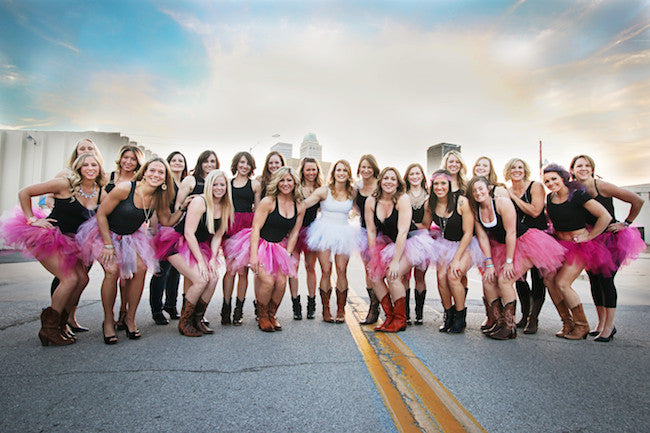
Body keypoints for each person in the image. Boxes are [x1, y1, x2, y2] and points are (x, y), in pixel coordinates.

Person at [76, 157, 184, 344]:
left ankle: (129, 319)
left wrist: (183, 207)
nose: (156, 175)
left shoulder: (159, 197)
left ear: (165, 179)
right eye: (152, 170)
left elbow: (166, 221)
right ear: (144, 171)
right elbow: (101, 214)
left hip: (130, 236)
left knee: (141, 269)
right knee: (112, 271)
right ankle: (108, 321)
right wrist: (108, 245)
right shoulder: (126, 188)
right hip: (104, 233)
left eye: (161, 172)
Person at [0, 153, 105, 345]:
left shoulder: (100, 190)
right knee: (70, 278)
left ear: (100, 169)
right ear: (78, 168)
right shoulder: (64, 184)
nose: (90, 168)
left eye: (94, 165)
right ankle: (48, 329)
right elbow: (25, 192)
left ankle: (61, 323)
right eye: (85, 165)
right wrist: (32, 219)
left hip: (72, 243)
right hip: (48, 238)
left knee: (83, 279)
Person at [468, 176, 565, 340]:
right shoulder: (475, 210)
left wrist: (509, 262)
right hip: (499, 246)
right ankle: (499, 322)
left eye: (481, 188)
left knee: (505, 280)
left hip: (524, 243)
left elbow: (511, 232)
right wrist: (489, 264)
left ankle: (510, 327)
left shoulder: (501, 203)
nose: (478, 193)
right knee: (488, 279)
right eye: (474, 190)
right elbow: (483, 238)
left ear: (489, 188)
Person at [569, 155, 645, 342]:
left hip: (611, 239)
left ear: (592, 169)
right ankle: (601, 323)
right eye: (579, 166)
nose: (584, 168)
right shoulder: (573, 189)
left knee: (606, 280)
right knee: (594, 281)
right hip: (591, 240)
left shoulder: (601, 186)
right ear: (572, 170)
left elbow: (637, 200)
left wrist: (626, 223)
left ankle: (609, 327)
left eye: (587, 165)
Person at [224, 167, 304, 332]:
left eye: (289, 180)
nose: (285, 183)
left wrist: (288, 254)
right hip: (260, 244)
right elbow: (256, 228)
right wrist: (253, 256)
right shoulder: (268, 201)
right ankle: (262, 316)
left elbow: (295, 232)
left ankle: (272, 315)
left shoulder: (299, 206)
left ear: (295, 182)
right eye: (282, 180)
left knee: (281, 283)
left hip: (280, 247)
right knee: (268, 281)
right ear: (277, 182)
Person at [155, 170, 233, 336]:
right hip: (178, 243)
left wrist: (212, 259)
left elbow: (218, 235)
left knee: (213, 278)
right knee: (200, 279)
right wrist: (202, 262)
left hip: (201, 245)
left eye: (222, 184)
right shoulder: (200, 201)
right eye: (215, 184)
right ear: (209, 185)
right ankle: (185, 322)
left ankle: (198, 319)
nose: (219, 188)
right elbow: (189, 233)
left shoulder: (225, 205)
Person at [542, 164, 616, 340]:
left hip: (580, 246)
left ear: (563, 178)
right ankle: (567, 322)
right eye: (547, 181)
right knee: (549, 279)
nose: (551, 183)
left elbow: (605, 216)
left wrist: (590, 236)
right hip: (560, 245)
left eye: (554, 179)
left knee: (562, 282)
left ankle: (582, 325)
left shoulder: (577, 195)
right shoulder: (549, 198)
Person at [365, 167, 437, 333]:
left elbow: (403, 231)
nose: (389, 182)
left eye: (393, 179)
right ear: (380, 181)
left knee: (393, 275)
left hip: (412, 243)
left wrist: (396, 261)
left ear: (398, 183)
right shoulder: (371, 201)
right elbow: (371, 231)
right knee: (375, 277)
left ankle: (400, 320)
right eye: (386, 178)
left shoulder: (402, 199)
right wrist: (373, 256)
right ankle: (389, 317)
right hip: (389, 243)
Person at [47, 138, 105, 332]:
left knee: (82, 278)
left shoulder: (98, 181)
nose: (86, 151)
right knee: (66, 278)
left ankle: (69, 318)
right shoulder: (66, 175)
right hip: (61, 236)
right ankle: (55, 322)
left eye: (90, 148)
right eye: (82, 149)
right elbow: (48, 198)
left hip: (84, 238)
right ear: (76, 153)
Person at [303, 160, 362, 323]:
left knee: (342, 270)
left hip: (344, 231)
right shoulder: (324, 191)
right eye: (338, 170)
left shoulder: (352, 193)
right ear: (333, 172)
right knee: (326, 270)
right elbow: (305, 204)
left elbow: (361, 209)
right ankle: (326, 310)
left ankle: (341, 310)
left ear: (348, 174)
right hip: (324, 231)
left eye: (345, 170)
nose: (341, 173)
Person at [426, 170, 484, 333]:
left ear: (449, 185)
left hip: (466, 244)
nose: (439, 187)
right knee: (441, 277)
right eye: (436, 183)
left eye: (443, 183)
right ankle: (448, 315)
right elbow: (425, 225)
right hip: (445, 243)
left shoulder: (461, 202)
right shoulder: (430, 204)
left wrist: (457, 259)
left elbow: (468, 232)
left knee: (454, 275)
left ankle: (460, 317)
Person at [504, 158, 548, 334]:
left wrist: (513, 197)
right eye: (513, 167)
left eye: (520, 167)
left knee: (538, 279)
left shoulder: (535, 186)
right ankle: (524, 314)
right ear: (508, 171)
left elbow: (535, 211)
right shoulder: (505, 191)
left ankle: (534, 318)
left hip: (539, 238)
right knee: (520, 279)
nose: (517, 170)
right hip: (519, 238)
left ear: (525, 170)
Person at [104, 145, 145, 329]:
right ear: (120, 158)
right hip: (105, 228)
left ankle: (124, 312)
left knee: (129, 274)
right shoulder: (108, 177)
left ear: (138, 163)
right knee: (112, 272)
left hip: (130, 231)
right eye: (125, 157)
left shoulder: (140, 181)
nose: (128, 162)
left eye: (133, 159)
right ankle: (108, 318)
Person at [221, 152, 261, 325]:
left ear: (251, 167)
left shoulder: (254, 185)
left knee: (243, 271)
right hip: (229, 225)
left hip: (246, 229)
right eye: (242, 162)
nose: (244, 166)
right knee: (230, 270)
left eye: (248, 164)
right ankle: (226, 306)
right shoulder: (227, 183)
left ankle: (239, 308)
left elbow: (258, 210)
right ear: (236, 164)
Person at [149, 151, 188, 325]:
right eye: (174, 160)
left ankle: (171, 306)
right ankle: (156, 309)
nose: (177, 163)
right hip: (165, 229)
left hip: (180, 229)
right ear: (168, 163)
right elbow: (158, 206)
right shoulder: (165, 182)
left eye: (181, 160)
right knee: (162, 270)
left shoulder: (185, 182)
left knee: (176, 271)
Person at [289, 157, 324, 320]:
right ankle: (296, 304)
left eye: (314, 169)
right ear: (302, 170)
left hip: (312, 232)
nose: (311, 172)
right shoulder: (296, 187)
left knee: (310, 267)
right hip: (294, 231)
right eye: (308, 169)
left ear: (318, 170)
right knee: (293, 268)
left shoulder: (321, 188)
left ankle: (311, 303)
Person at [402, 163, 429, 325]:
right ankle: (405, 313)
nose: (414, 176)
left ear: (422, 176)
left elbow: (426, 224)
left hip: (422, 240)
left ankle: (419, 314)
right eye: (411, 174)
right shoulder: (402, 195)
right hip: (404, 239)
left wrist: (409, 224)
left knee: (420, 276)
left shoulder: (428, 196)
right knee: (405, 275)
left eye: (417, 173)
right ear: (407, 177)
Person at [355, 155, 381, 324]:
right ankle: (373, 308)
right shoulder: (357, 187)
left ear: (374, 169)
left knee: (384, 271)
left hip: (383, 233)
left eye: (369, 167)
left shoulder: (381, 185)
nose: (366, 170)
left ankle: (392, 308)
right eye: (363, 167)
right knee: (369, 270)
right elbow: (357, 207)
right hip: (364, 232)